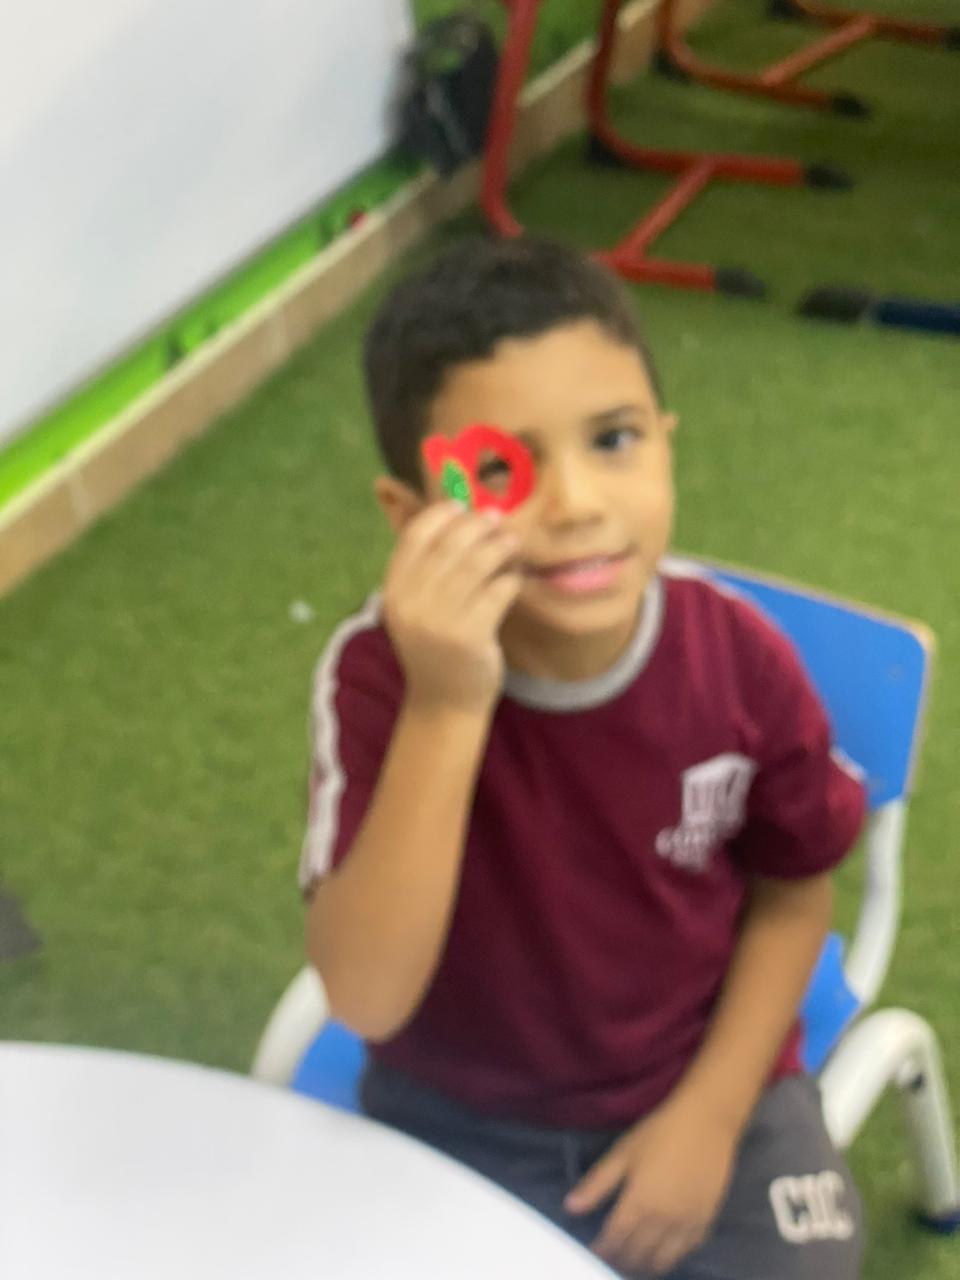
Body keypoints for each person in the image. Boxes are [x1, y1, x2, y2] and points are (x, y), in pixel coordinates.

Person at [300, 236, 866, 1280]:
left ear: (664, 442)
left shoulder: (740, 660)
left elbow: (794, 891)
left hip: (703, 1083)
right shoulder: (379, 675)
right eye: (498, 470)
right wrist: (449, 700)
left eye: (613, 439)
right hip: (456, 1115)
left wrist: (708, 1117)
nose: (574, 503)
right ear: (413, 516)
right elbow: (367, 996)